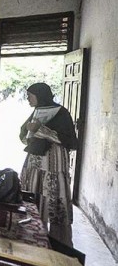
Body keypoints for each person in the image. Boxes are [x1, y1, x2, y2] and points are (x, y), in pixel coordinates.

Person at [19, 83, 78, 247]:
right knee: (34, 196)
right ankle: (35, 236)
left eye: (30, 95)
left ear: (40, 95)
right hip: (35, 164)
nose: (28, 99)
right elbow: (25, 134)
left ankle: (60, 244)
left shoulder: (61, 113)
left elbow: (69, 140)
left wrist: (42, 130)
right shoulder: (37, 111)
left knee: (54, 199)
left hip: (54, 164)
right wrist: (30, 132)